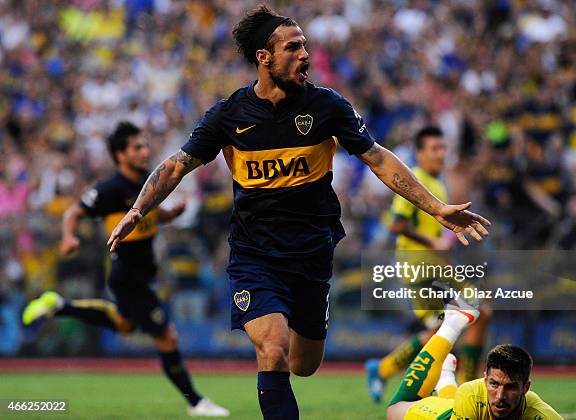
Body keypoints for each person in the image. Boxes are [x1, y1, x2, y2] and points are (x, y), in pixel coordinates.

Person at [107, 6, 491, 419]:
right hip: (254, 256)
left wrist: (437, 208)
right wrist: (138, 207)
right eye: (293, 47)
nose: (305, 54)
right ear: (264, 57)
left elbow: (378, 158)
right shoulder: (229, 115)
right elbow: (176, 165)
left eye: (305, 45)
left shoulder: (327, 107)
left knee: (303, 365)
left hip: (311, 254)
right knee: (272, 352)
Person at [22, 122, 229, 418]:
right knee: (167, 336)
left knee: (125, 325)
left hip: (142, 274)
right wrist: (69, 237)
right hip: (127, 276)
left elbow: (152, 216)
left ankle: (59, 306)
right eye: (137, 147)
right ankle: (196, 401)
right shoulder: (110, 189)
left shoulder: (147, 182)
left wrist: (172, 214)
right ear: (120, 155)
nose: (145, 151)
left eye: (145, 145)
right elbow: (73, 212)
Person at [366, 127, 492, 403]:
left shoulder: (437, 183)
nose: (441, 154)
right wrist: (433, 244)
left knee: (443, 329)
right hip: (420, 268)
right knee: (474, 314)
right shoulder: (414, 181)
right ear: (420, 153)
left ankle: (383, 368)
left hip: (434, 267)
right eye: (434, 148)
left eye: (443, 148)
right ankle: (467, 388)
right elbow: (397, 224)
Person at [386, 330, 564, 420]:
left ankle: (445, 379)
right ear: (485, 379)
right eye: (494, 384)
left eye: (510, 387)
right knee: (393, 410)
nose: (500, 396)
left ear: (526, 387)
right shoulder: (470, 393)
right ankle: (451, 325)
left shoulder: (543, 416)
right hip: (446, 416)